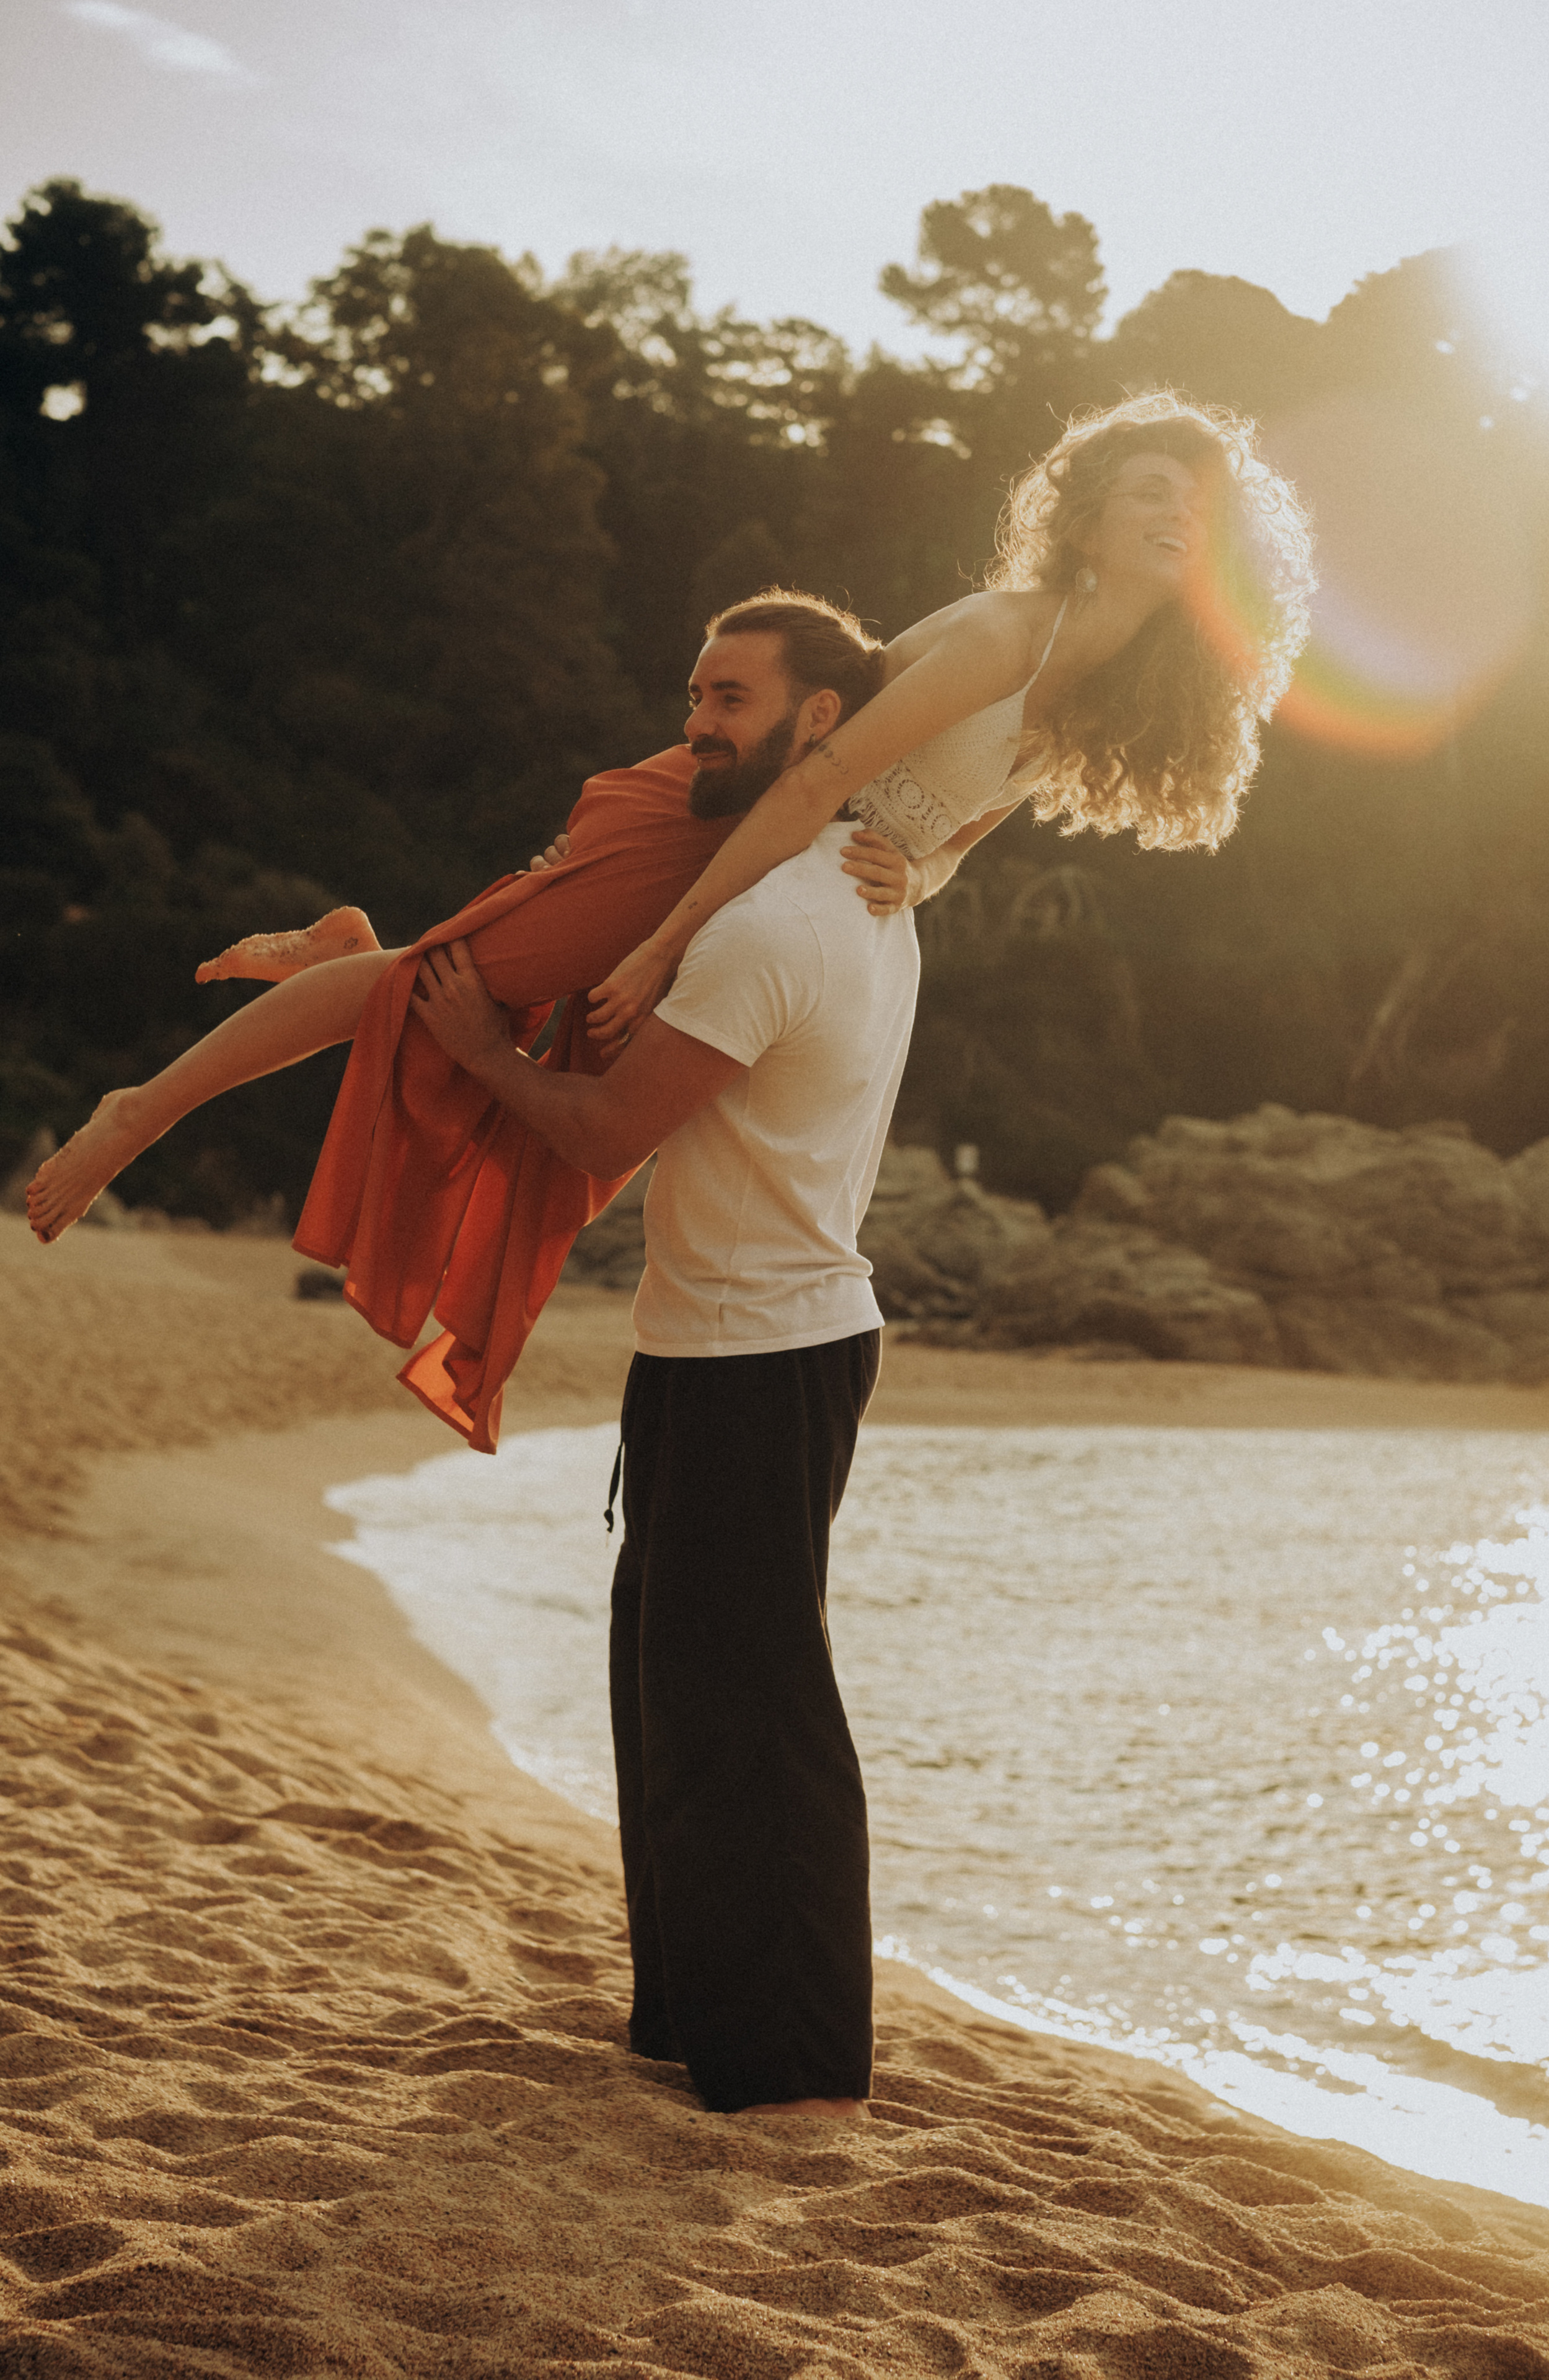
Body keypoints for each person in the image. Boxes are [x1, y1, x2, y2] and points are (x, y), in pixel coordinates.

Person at [25, 392, 1313, 1447]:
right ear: (1086, 518)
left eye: (1194, 506)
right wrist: (656, 942)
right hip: (711, 828)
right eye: (1147, 488)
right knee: (441, 987)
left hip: (780, 867)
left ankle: (350, 950)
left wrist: (915, 877)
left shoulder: (1106, 697)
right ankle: (139, 1111)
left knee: (553, 1103)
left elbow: (962, 824)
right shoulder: (1006, 635)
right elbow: (812, 778)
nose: (1172, 514)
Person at [404, 673, 920, 2115]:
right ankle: (691, 2016)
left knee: (754, 1710)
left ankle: (791, 2062)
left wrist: (482, 1059)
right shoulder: (865, 883)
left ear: (820, 720)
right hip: (726, 1345)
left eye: (731, 696)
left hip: (761, 1353)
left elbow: (604, 1130)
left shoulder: (767, 925)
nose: (696, 719)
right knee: (678, 1691)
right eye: (690, 689)